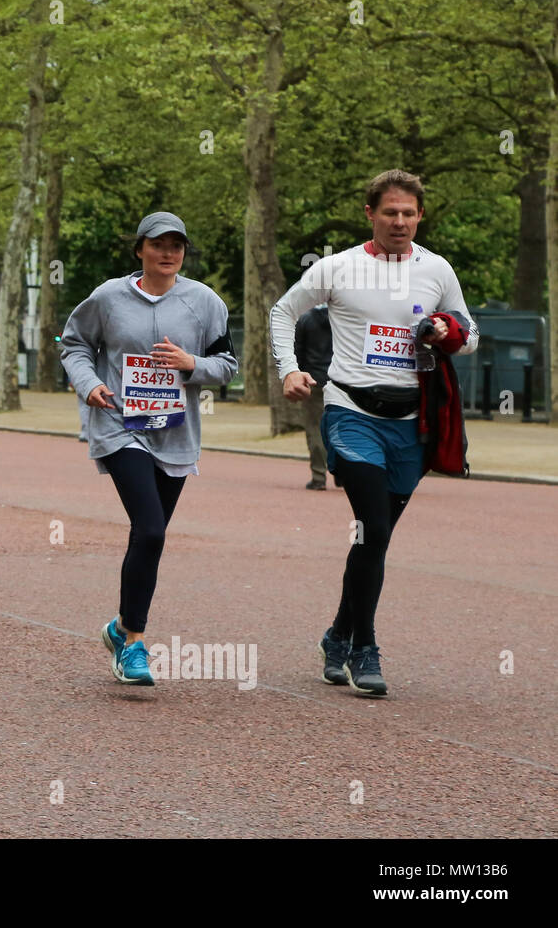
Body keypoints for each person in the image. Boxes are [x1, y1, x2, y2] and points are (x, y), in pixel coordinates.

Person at [270, 169, 478, 696]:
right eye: (390, 212)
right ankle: (365, 646)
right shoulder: (339, 267)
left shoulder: (436, 269)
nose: (400, 221)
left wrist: (446, 330)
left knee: (373, 540)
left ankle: (337, 634)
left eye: (409, 213)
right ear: (370, 214)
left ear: (420, 216)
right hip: (349, 412)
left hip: (412, 424)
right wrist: (288, 369)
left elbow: (470, 334)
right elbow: (282, 311)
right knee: (374, 527)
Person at [61, 212, 237, 686]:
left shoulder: (204, 302)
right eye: (159, 244)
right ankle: (135, 644)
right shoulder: (108, 297)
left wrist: (192, 363)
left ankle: (119, 628)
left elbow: (228, 364)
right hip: (120, 424)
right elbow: (74, 345)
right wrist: (90, 384)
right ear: (140, 248)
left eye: (177, 244)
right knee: (152, 529)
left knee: (148, 538)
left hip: (175, 434)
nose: (168, 252)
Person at [294, 304, 334, 490]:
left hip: (314, 380)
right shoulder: (342, 317)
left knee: (315, 428)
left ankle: (319, 476)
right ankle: (342, 473)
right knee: (342, 427)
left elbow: (298, 352)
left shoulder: (305, 319)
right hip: (340, 379)